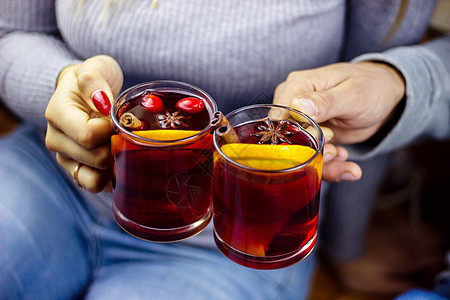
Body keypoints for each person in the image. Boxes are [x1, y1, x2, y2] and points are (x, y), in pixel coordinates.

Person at [0, 0, 448, 299]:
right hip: (50, 175)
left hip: (244, 234)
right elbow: (11, 32)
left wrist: (347, 246)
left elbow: (368, 92)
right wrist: (61, 87)